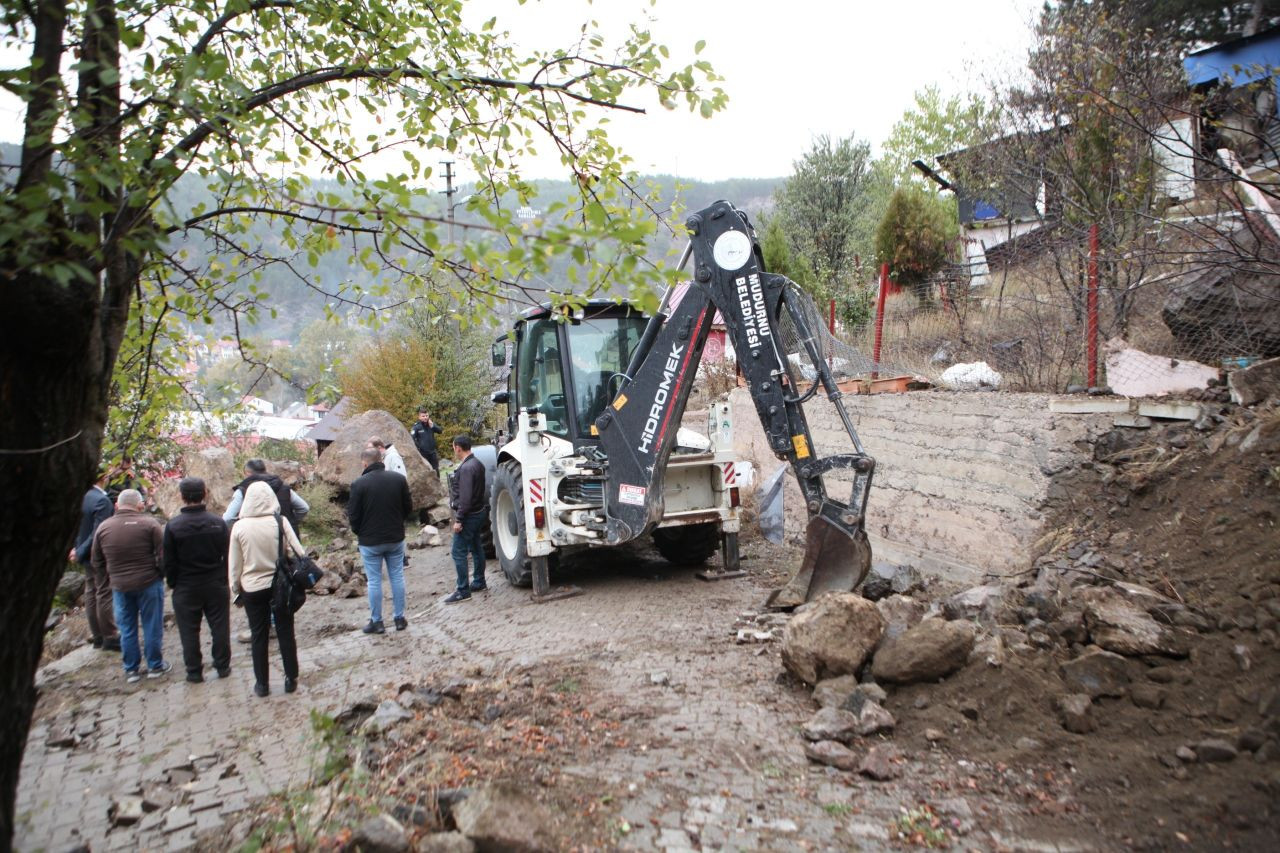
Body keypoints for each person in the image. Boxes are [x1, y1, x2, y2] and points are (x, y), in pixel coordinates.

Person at [228, 481, 303, 697]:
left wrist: (235, 591)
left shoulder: (239, 527)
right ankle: (291, 678)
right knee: (285, 631)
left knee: (258, 635)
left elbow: (235, 565)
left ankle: (262, 684)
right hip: (280, 585)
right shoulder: (280, 522)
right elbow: (300, 551)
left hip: (252, 588)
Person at [91, 489, 170, 682]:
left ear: (117, 506)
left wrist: (110, 578)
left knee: (127, 627)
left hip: (120, 585)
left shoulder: (104, 528)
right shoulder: (150, 524)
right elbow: (163, 557)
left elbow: (97, 561)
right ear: (140, 505)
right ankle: (154, 666)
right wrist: (160, 575)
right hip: (149, 582)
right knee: (152, 625)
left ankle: (131, 669)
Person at [163, 477, 232, 684]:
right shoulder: (217, 522)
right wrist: (223, 578)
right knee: (220, 626)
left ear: (181, 497)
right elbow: (227, 554)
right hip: (214, 583)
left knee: (189, 630)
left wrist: (174, 583)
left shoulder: (173, 526)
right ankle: (222, 666)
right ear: (205, 494)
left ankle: (194, 671)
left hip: (186, 585)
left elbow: (169, 561)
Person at [347, 446, 413, 634]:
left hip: (369, 541)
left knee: (374, 581)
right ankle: (399, 618)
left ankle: (377, 621)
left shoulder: (358, 484)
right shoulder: (398, 480)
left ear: (365, 463)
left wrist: (359, 532)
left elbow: (353, 514)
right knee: (397, 576)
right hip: (395, 537)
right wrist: (398, 522)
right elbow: (408, 507)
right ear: (381, 460)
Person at [70, 468, 119, 651]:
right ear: (103, 478)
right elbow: (99, 532)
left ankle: (97, 635)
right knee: (104, 592)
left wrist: (77, 549)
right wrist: (81, 550)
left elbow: (78, 528)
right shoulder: (101, 500)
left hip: (84, 553)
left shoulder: (82, 497)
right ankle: (110, 636)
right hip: (98, 554)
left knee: (91, 592)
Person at [445, 435, 487, 604]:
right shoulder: (477, 463)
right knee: (476, 547)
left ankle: (463, 590)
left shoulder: (466, 468)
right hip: (479, 512)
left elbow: (466, 498)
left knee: (458, 552)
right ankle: (479, 581)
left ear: (458, 448)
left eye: (453, 447)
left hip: (469, 516)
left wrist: (459, 519)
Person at [224, 458, 309, 535]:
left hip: (257, 539)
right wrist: (290, 522)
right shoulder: (283, 487)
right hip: (286, 539)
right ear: (265, 470)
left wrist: (239, 530)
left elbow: (228, 518)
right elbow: (304, 508)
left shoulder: (242, 491)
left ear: (247, 473)